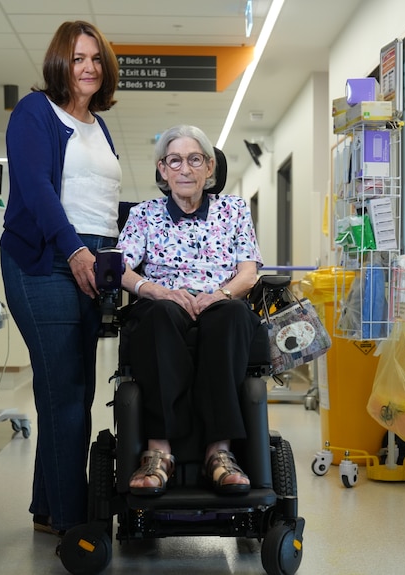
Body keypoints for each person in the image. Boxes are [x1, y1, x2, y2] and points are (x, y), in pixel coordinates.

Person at [0, 20, 120, 537]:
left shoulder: (99, 125)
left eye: (95, 57)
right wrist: (73, 250)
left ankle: (49, 509)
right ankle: (76, 523)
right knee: (65, 392)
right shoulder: (34, 112)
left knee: (73, 390)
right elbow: (38, 189)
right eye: (77, 58)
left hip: (93, 260)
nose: (88, 67)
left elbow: (102, 202)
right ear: (59, 63)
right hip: (45, 259)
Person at [115, 124, 263, 496]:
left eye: (194, 160)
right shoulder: (144, 214)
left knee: (230, 317)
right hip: (164, 301)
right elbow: (120, 267)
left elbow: (249, 272)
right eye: (175, 161)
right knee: (159, 316)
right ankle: (159, 452)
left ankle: (220, 453)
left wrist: (222, 293)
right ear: (162, 170)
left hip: (221, 300)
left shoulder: (233, 209)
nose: (185, 169)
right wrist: (155, 290)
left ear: (210, 167)